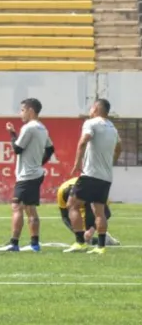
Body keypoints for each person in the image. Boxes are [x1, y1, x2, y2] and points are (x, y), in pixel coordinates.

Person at [64, 99, 121, 255]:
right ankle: (101, 247)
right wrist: (111, 162)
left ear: (96, 108)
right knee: (99, 211)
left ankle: (80, 242)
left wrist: (77, 162)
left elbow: (83, 141)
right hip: (106, 177)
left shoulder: (91, 123)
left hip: (90, 174)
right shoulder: (112, 128)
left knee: (72, 204)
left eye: (91, 107)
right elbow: (119, 148)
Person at [1, 98, 53, 252]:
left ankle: (14, 243)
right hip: (35, 173)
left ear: (30, 110)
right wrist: (39, 164)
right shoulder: (42, 128)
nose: (20, 114)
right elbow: (50, 149)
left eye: (22, 110)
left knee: (17, 207)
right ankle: (34, 244)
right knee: (30, 208)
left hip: (27, 175)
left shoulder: (29, 128)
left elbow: (17, 149)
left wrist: (12, 133)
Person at [56, 177, 118, 246]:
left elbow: (106, 213)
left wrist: (91, 230)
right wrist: (79, 234)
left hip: (90, 189)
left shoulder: (94, 191)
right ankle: (91, 239)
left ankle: (103, 237)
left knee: (92, 218)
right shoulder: (62, 192)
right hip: (85, 187)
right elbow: (65, 217)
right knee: (81, 223)